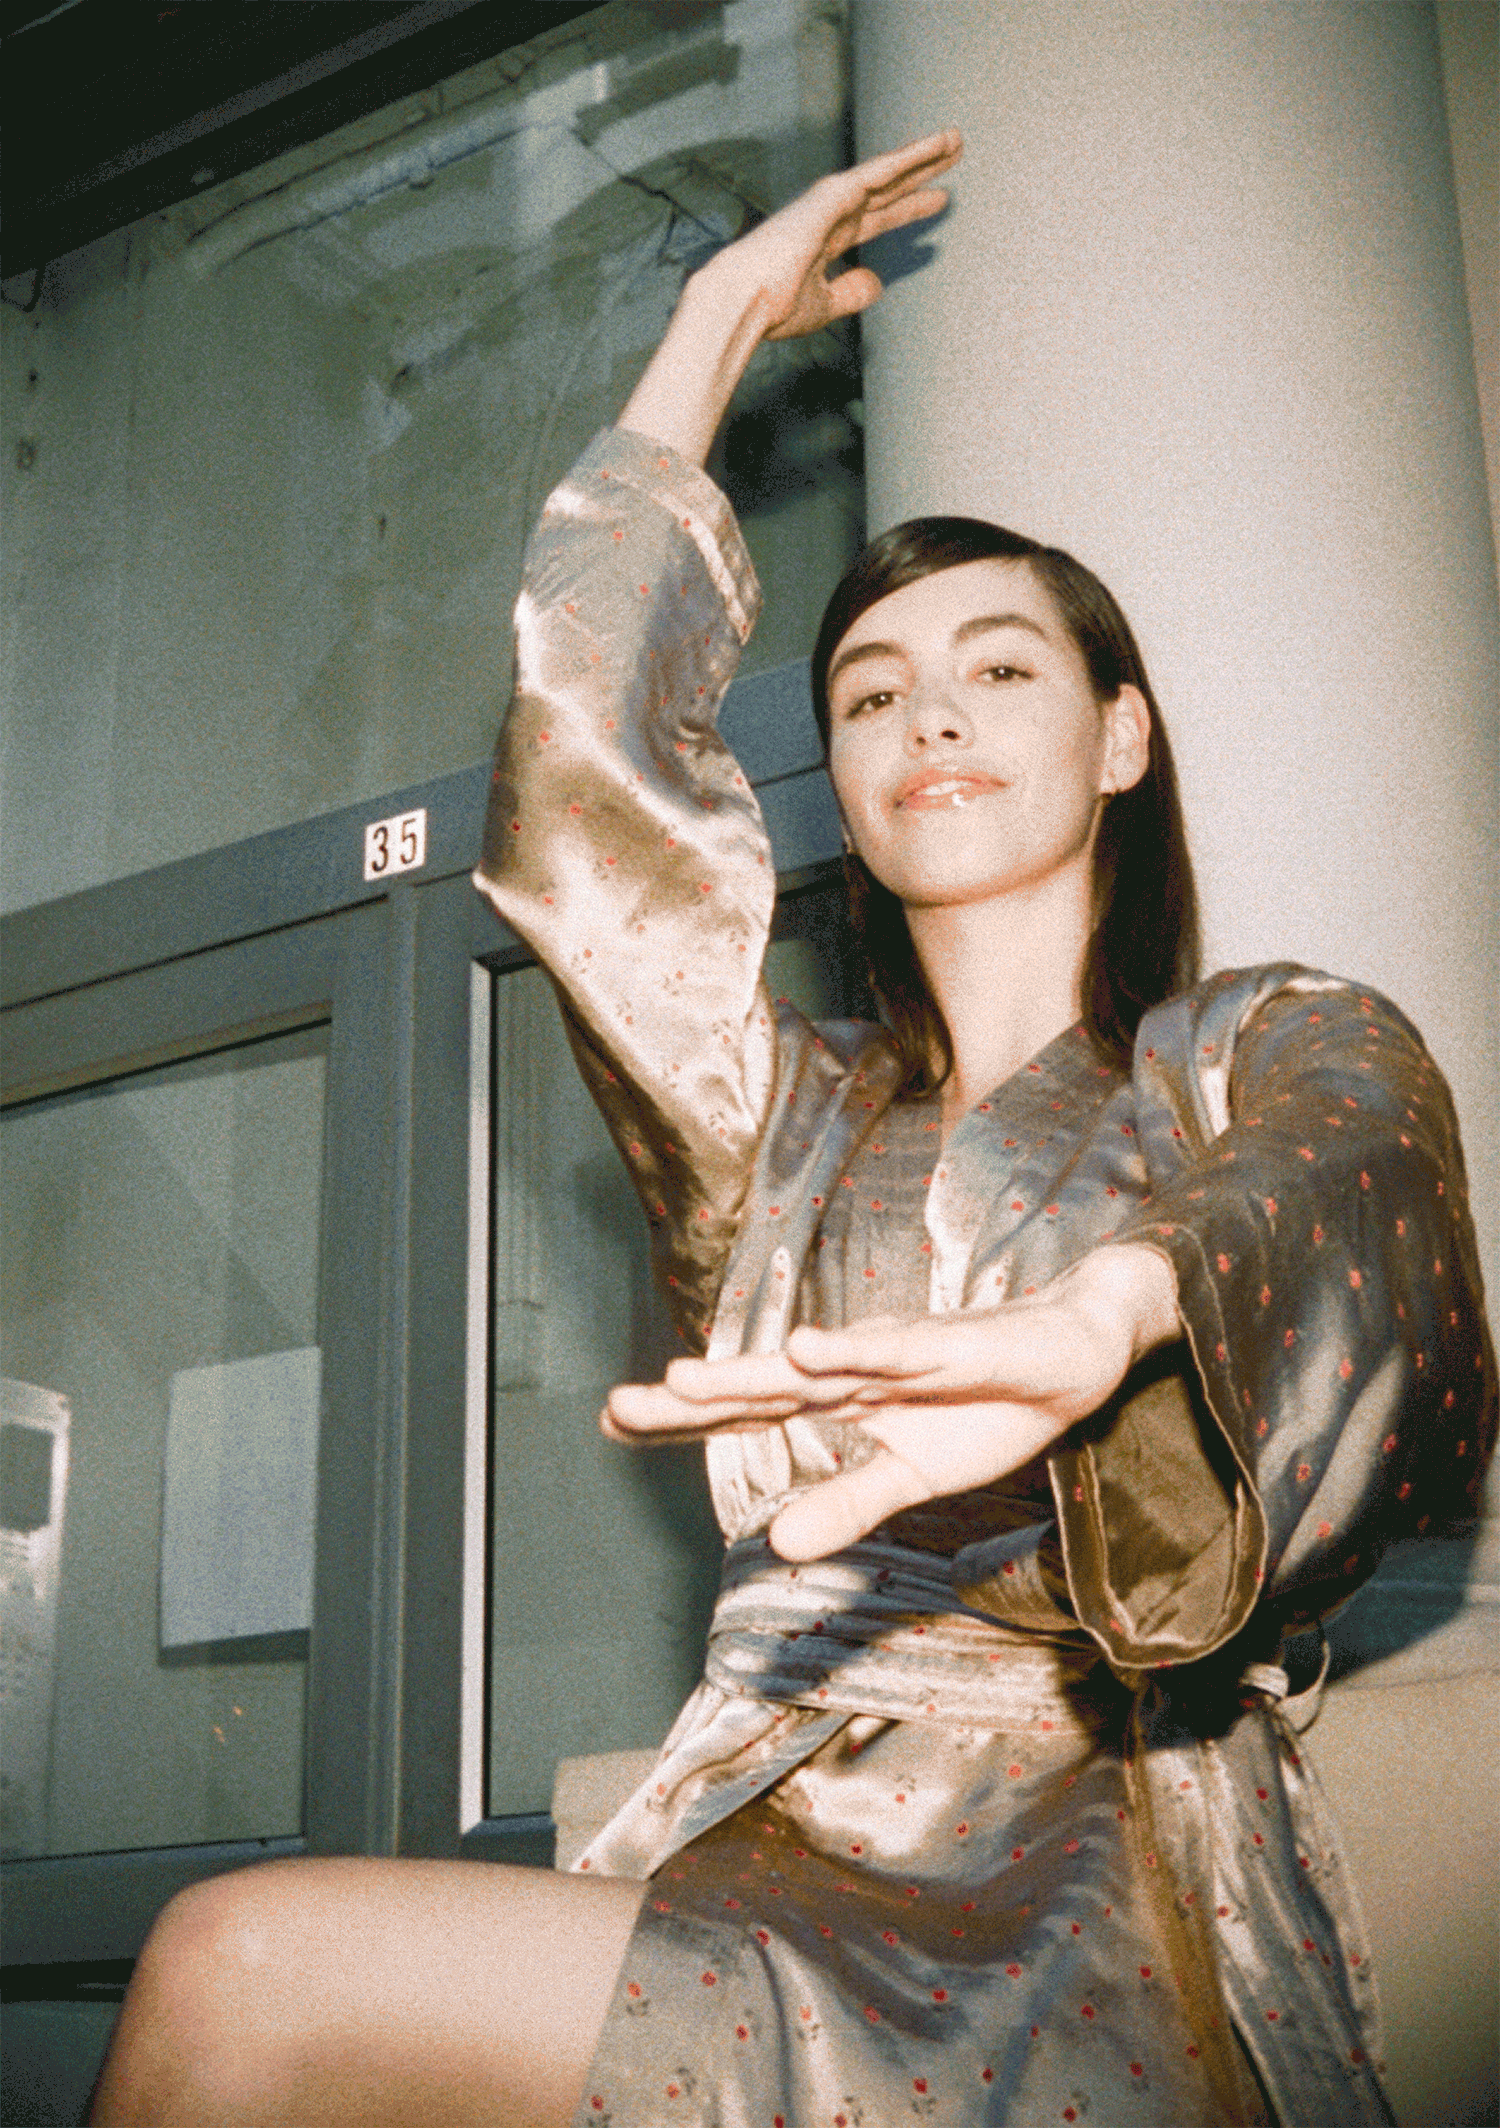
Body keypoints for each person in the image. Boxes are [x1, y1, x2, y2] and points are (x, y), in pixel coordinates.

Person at [89, 133, 1493, 2128]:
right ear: (835, 771)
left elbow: (1360, 1194)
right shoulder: (781, 1118)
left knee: (239, 1963)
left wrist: (1114, 1312)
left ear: (1119, 735)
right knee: (229, 1964)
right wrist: (709, 319)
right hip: (765, 1820)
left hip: (1076, 1872)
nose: (929, 717)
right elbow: (582, 808)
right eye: (869, 690)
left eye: (1000, 669)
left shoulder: (1257, 1044)